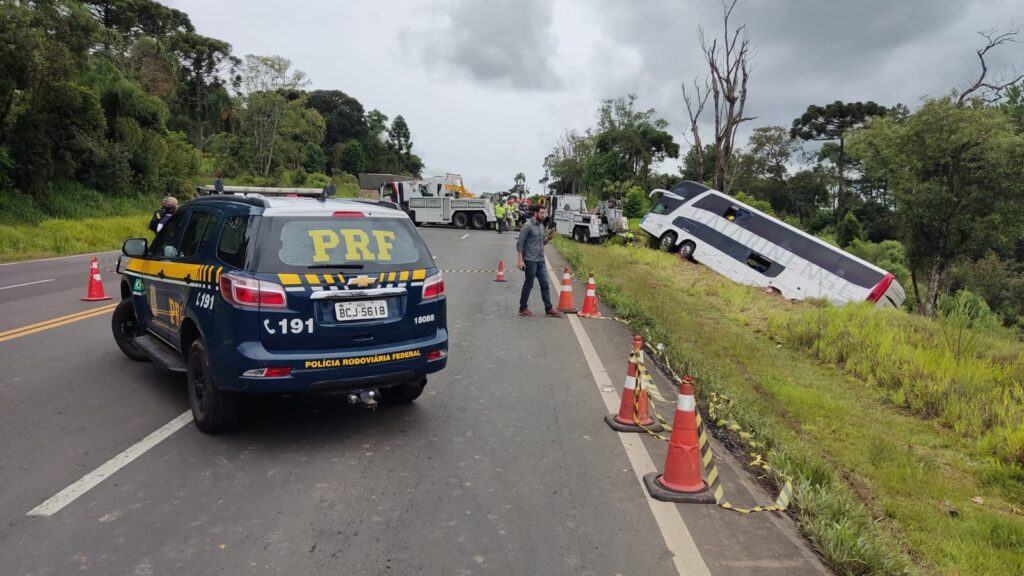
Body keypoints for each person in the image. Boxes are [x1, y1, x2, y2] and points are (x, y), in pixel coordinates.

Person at [516, 205, 562, 317]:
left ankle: (548, 309)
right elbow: (519, 244)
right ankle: (523, 308)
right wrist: (520, 260)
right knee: (529, 284)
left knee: (545, 284)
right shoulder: (527, 226)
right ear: (535, 213)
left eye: (544, 213)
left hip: (540, 260)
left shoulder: (541, 226)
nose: (543, 215)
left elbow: (542, 242)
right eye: (541, 213)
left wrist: (549, 237)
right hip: (530, 260)